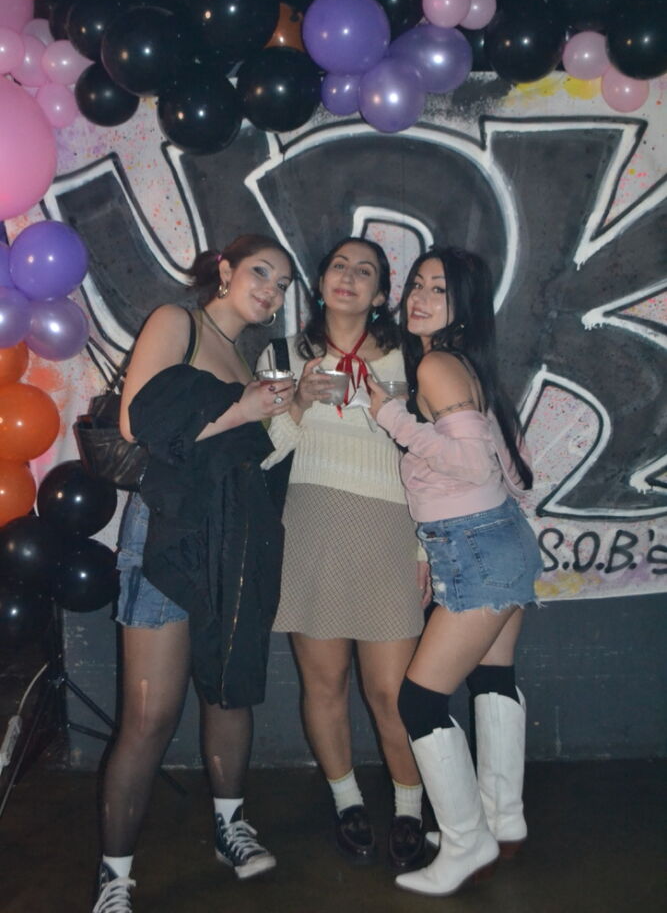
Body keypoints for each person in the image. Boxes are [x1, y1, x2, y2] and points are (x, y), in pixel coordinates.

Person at [92, 235, 296, 913]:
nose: (271, 289)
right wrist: (244, 409)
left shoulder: (249, 358)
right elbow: (136, 424)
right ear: (225, 270)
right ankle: (114, 877)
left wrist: (288, 411)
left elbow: (249, 455)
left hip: (231, 534)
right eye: (261, 271)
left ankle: (230, 828)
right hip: (166, 530)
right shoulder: (176, 322)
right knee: (150, 714)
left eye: (282, 283)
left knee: (228, 690)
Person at [368, 246, 543, 897]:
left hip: (474, 545)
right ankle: (502, 818)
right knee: (493, 678)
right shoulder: (466, 364)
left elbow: (468, 464)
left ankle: (467, 842)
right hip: (497, 538)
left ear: (463, 305)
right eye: (416, 284)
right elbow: (509, 462)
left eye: (437, 290)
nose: (418, 298)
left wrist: (390, 416)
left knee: (419, 700)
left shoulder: (437, 365)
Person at [258, 237, 428, 872]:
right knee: (324, 683)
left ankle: (409, 806)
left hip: (391, 528)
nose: (349, 278)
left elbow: (430, 457)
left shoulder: (413, 356)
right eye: (339, 266)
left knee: (391, 693)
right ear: (320, 280)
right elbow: (263, 452)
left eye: (365, 271)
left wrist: (424, 547)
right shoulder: (281, 355)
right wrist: (300, 399)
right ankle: (347, 800)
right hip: (310, 525)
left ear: (381, 293)